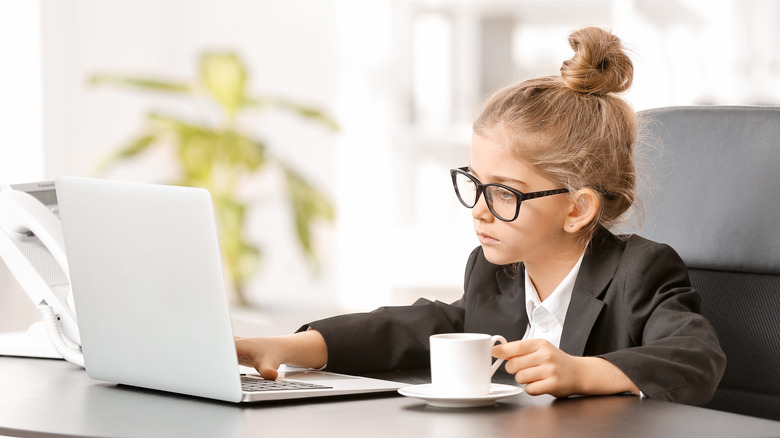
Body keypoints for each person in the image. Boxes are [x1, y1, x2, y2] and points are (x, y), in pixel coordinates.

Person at [235, 26, 726, 405]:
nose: (479, 211)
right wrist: (296, 346)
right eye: (475, 185)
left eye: (504, 194)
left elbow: (697, 357)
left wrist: (584, 372)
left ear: (576, 209)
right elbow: (425, 327)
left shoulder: (639, 272)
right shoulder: (494, 269)